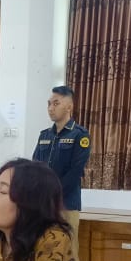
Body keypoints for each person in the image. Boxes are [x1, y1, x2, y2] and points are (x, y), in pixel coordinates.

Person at [32, 85, 90, 246]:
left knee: (68, 251)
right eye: (49, 104)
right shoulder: (44, 135)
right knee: (42, 248)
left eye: (56, 103)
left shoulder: (80, 135)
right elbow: (35, 167)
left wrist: (53, 194)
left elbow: (75, 171)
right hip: (43, 204)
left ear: (69, 107)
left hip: (66, 204)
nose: (50, 108)